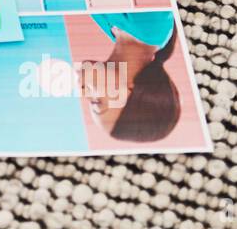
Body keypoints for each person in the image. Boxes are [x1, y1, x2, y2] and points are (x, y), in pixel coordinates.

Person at [74, 11, 181, 142]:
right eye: (96, 101)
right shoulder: (153, 22)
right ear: (133, 91)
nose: (83, 92)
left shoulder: (115, 31)